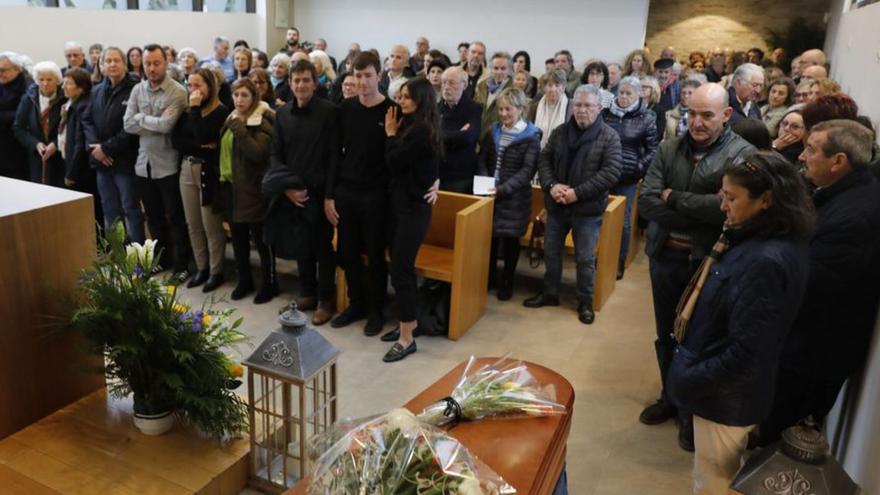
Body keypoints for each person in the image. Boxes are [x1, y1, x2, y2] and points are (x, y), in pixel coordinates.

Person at [668, 151, 813, 495]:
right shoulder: (760, 240)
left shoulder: (765, 260)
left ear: (766, 200)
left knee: (714, 482)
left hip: (725, 398)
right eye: (723, 196)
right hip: (725, 391)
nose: (723, 206)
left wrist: (689, 378)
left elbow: (747, 353)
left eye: (731, 198)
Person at [638, 83, 756, 452]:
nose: (698, 123)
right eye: (692, 113)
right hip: (665, 255)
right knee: (666, 333)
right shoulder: (669, 148)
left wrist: (676, 200)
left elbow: (728, 208)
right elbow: (646, 202)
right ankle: (669, 397)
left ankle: (690, 410)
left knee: (698, 340)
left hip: (708, 261)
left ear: (726, 115)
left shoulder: (743, 153)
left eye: (707, 115)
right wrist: (699, 208)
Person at [760, 120, 880, 448]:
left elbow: (811, 287)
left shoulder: (854, 216)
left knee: (778, 444)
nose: (801, 156)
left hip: (810, 357)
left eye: (811, 149)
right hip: (804, 347)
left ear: (838, 161)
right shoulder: (846, 192)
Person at [525, 84, 622, 324]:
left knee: (584, 258)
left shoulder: (609, 136)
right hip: (557, 205)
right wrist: (551, 186)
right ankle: (550, 293)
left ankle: (585, 301)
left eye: (588, 106)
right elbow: (544, 159)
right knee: (552, 252)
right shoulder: (560, 132)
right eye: (578, 105)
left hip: (586, 210)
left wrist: (577, 193)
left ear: (599, 108)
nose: (582, 110)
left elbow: (611, 172)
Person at [325, 51, 397, 335]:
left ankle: (376, 311)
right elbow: (333, 154)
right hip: (347, 191)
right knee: (347, 253)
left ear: (379, 76)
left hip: (377, 195)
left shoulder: (392, 110)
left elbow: (400, 156)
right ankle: (356, 304)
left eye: (368, 75)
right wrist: (330, 195)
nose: (363, 81)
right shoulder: (345, 109)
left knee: (376, 256)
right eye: (358, 75)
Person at [264, 59, 338, 325]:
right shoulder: (282, 114)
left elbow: (333, 159)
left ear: (315, 82)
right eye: (296, 80)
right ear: (290, 83)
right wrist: (287, 189)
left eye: (306, 80)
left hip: (318, 192)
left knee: (322, 248)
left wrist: (330, 195)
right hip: (292, 191)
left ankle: (326, 300)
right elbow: (276, 154)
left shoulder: (329, 112)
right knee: (301, 245)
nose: (301, 85)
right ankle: (307, 293)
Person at [380, 76, 441, 362]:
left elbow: (394, 162)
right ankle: (409, 322)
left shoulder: (421, 131)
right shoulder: (415, 125)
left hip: (413, 210)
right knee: (399, 265)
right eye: (400, 95)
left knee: (402, 270)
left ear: (421, 99)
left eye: (406, 96)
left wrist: (390, 134)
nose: (400, 101)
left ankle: (407, 338)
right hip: (401, 206)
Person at [123, 44, 190, 277]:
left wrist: (141, 119)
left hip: (168, 164)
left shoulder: (177, 92)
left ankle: (182, 265)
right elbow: (127, 124)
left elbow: (167, 125)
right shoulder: (137, 90)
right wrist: (150, 120)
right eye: (147, 64)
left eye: (156, 63)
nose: (151, 68)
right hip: (143, 165)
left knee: (176, 217)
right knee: (153, 217)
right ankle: (163, 258)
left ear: (165, 64)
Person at [477, 87, 541, 301]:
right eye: (501, 109)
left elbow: (527, 171)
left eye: (509, 109)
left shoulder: (531, 136)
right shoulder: (493, 130)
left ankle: (507, 281)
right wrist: (487, 182)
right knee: (491, 239)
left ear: (521, 109)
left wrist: (502, 189)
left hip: (514, 197)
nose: (503, 114)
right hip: (490, 192)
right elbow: (482, 159)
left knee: (511, 241)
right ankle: (490, 277)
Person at [217, 78, 277, 303]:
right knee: (239, 238)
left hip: (254, 189)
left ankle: (270, 283)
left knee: (261, 240)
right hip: (231, 188)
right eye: (236, 95)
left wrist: (240, 130)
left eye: (244, 95)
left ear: (254, 98)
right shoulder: (232, 117)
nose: (239, 100)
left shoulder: (261, 121)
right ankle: (244, 281)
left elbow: (258, 154)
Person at [172, 67, 229, 292]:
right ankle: (202, 268)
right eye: (190, 85)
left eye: (198, 86)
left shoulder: (220, 111)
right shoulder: (187, 111)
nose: (193, 90)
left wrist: (195, 109)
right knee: (193, 224)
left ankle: (216, 271)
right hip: (187, 168)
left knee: (211, 225)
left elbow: (205, 135)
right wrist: (200, 144)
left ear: (210, 87)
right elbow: (177, 141)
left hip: (209, 171)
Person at [82, 47, 144, 242]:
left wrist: (106, 148)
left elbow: (133, 126)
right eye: (107, 61)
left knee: (130, 209)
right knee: (110, 209)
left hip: (125, 160)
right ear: (101, 65)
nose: (112, 64)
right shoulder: (97, 90)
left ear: (125, 64)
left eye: (116, 60)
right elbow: (87, 120)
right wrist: (96, 148)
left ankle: (139, 256)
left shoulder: (136, 88)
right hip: (102, 161)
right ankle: (120, 252)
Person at [602, 76, 659, 280]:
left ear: (637, 95)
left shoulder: (646, 118)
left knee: (623, 222)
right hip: (603, 174)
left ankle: (619, 260)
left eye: (629, 94)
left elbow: (653, 149)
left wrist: (638, 167)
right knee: (598, 216)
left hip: (627, 177)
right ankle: (599, 256)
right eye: (621, 93)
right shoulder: (605, 114)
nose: (624, 97)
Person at [57, 67, 102, 228]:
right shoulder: (71, 104)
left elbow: (79, 143)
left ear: (81, 88)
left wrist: (72, 173)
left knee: (91, 212)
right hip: (74, 164)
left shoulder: (82, 106)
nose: (63, 87)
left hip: (83, 170)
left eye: (68, 83)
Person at [13, 61, 66, 186]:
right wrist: (35, 144)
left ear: (57, 80)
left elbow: (69, 127)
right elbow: (18, 127)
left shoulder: (65, 98)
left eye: (49, 79)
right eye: (41, 79)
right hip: (37, 156)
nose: (45, 83)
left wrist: (55, 143)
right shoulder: (28, 98)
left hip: (60, 155)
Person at [438, 65, 482, 194]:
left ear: (464, 84)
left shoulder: (474, 108)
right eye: (444, 82)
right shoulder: (436, 108)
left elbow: (469, 138)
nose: (446, 87)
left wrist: (441, 136)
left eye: (452, 82)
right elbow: (429, 136)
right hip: (438, 172)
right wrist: (458, 134)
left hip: (461, 175)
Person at [0, 51, 30, 180]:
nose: (0, 73)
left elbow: (22, 115)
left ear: (17, 69)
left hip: (16, 148)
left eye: (3, 70)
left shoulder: (28, 86)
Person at [475, 51, 512, 142]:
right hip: (478, 137)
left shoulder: (514, 90)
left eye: (503, 68)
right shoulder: (482, 86)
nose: (499, 72)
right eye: (496, 68)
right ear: (490, 69)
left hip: (500, 139)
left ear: (510, 70)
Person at [529, 69, 570, 149]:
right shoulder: (535, 107)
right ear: (544, 87)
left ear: (564, 87)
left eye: (557, 85)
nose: (553, 89)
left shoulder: (571, 107)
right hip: (537, 153)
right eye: (550, 85)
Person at [653, 58, 681, 137]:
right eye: (660, 72)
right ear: (655, 72)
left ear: (671, 73)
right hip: (654, 122)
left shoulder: (678, 86)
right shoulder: (651, 84)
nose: (663, 75)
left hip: (670, 124)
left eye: (666, 72)